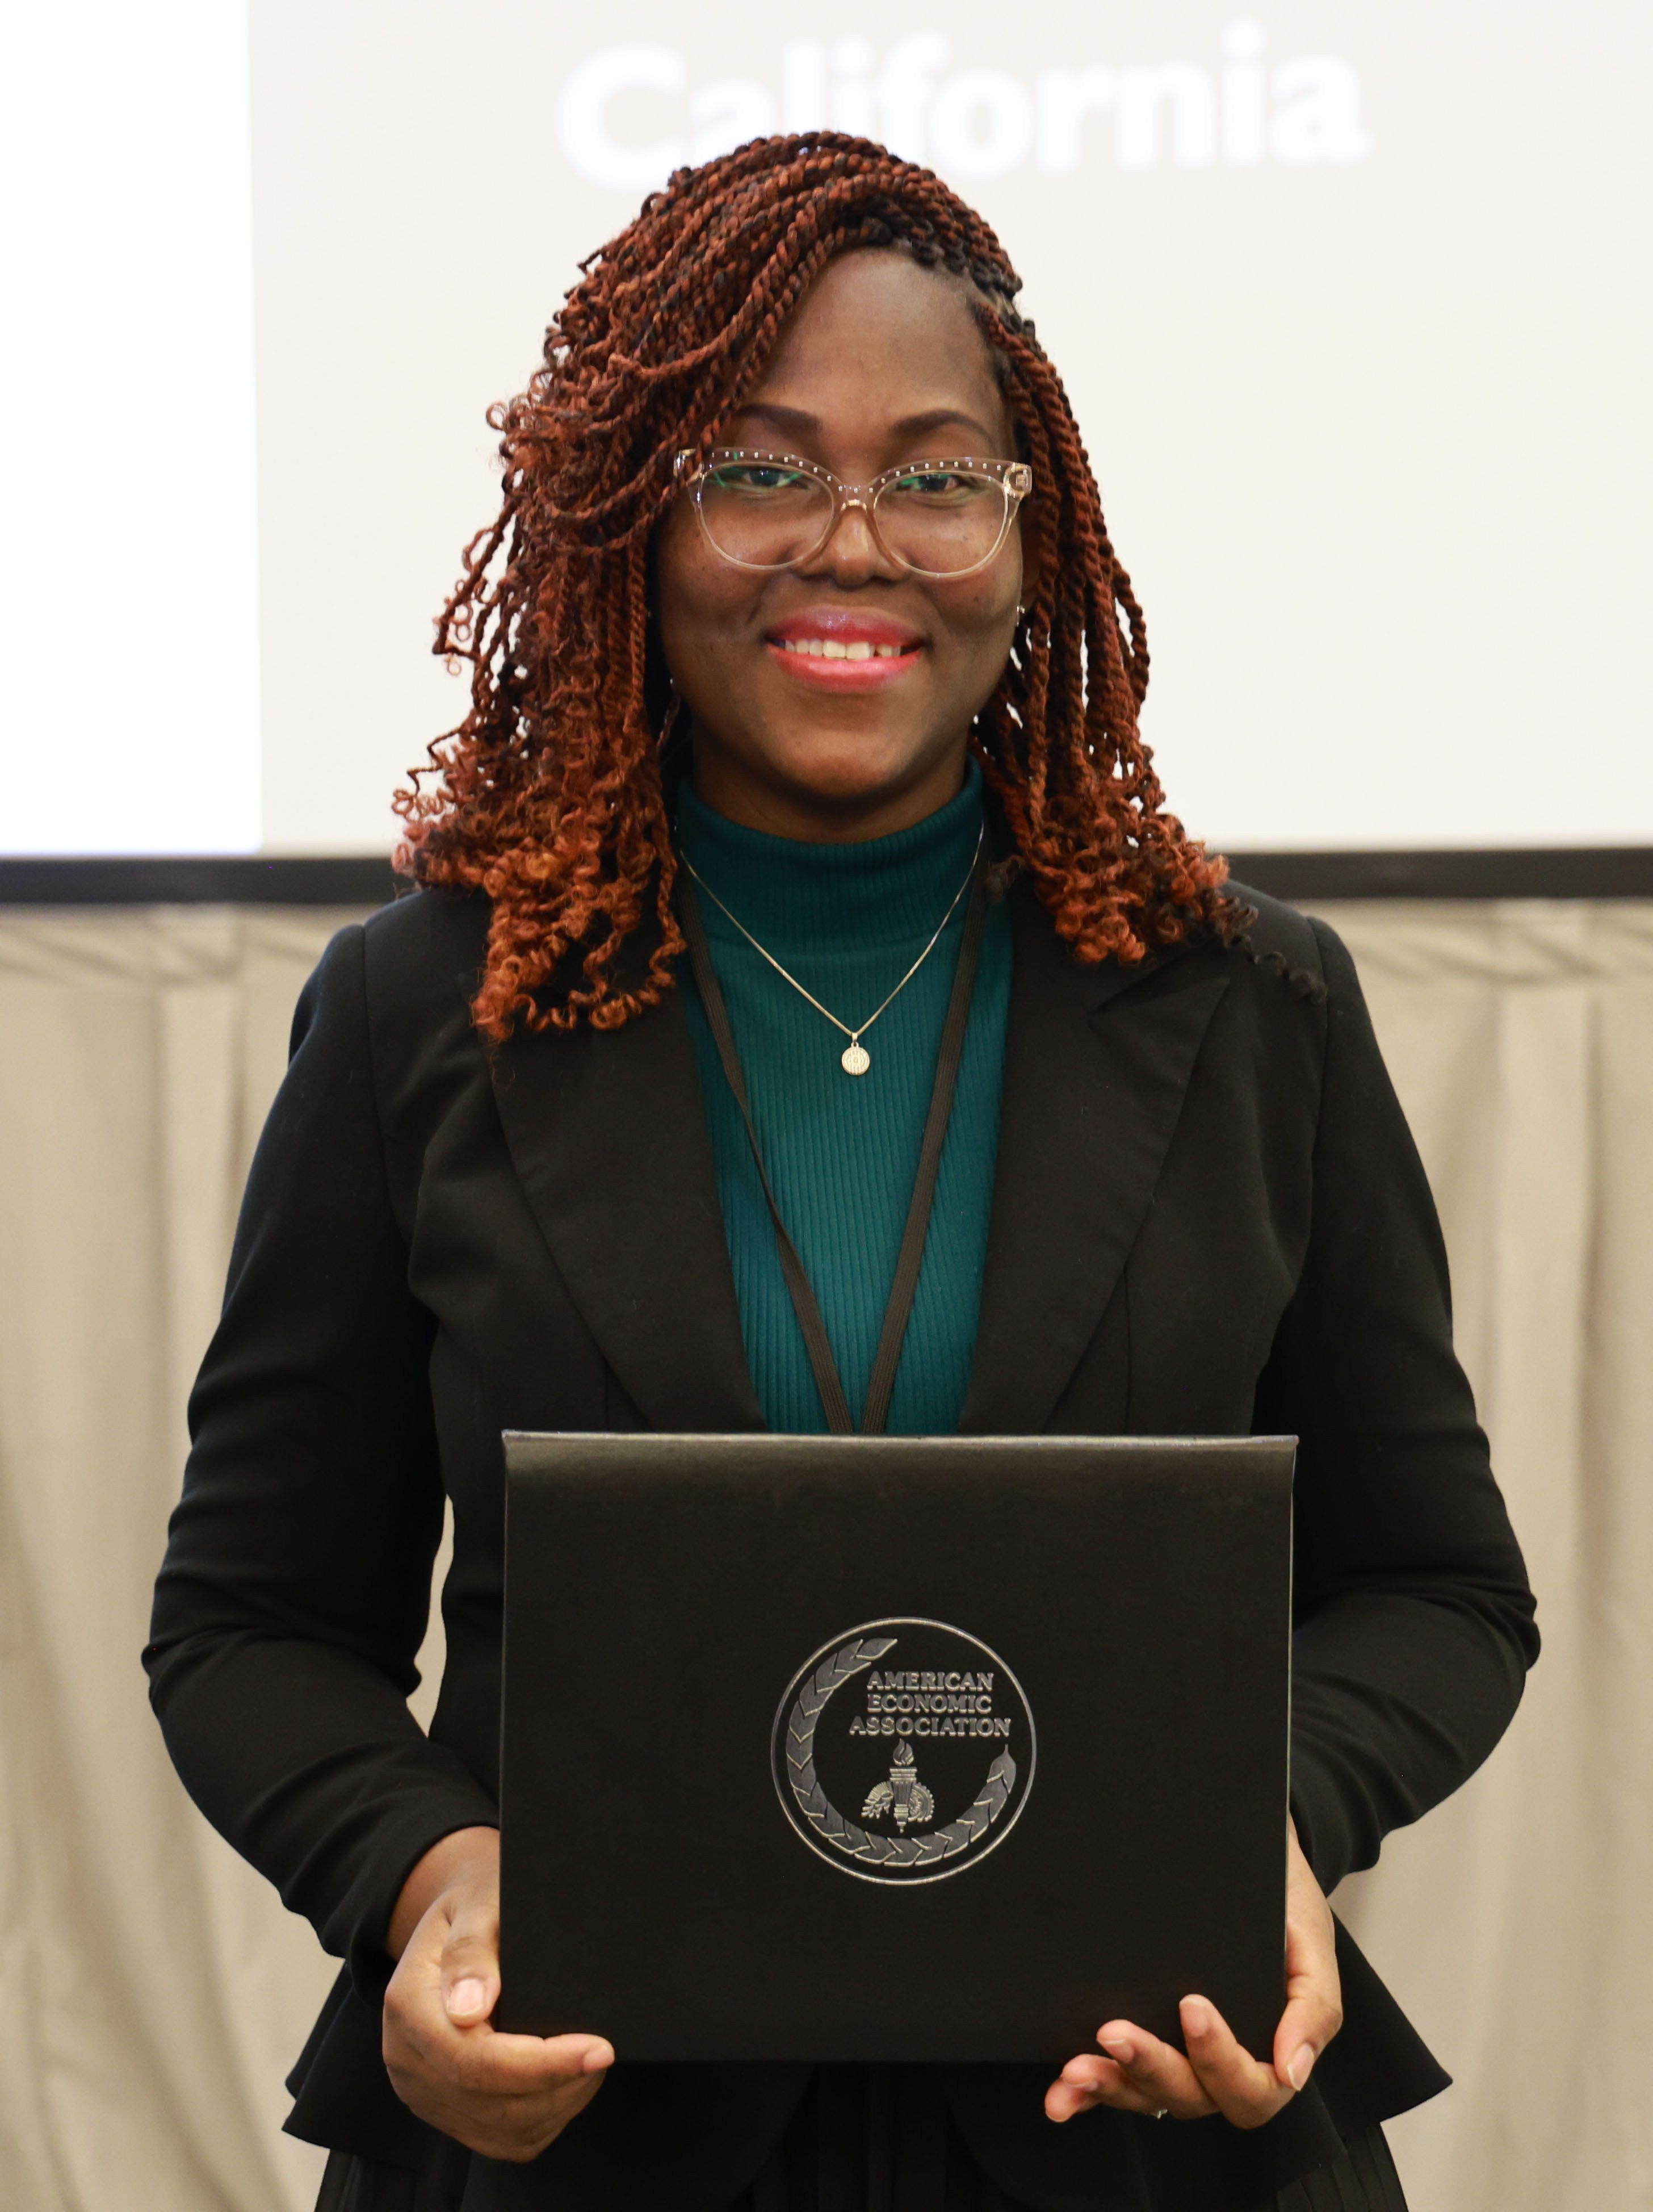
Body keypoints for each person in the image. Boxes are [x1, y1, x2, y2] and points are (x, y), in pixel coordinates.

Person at [145, 135, 1537, 2212]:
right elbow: (251, 1624)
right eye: (761, 470)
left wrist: (1274, 1824)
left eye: (938, 476)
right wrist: (435, 1879)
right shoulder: (421, 1011)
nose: (855, 545)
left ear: (1030, 533)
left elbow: (1437, 1591)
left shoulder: (1256, 1007)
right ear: (634, 519)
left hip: (1147, 2132)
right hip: (578, 2138)